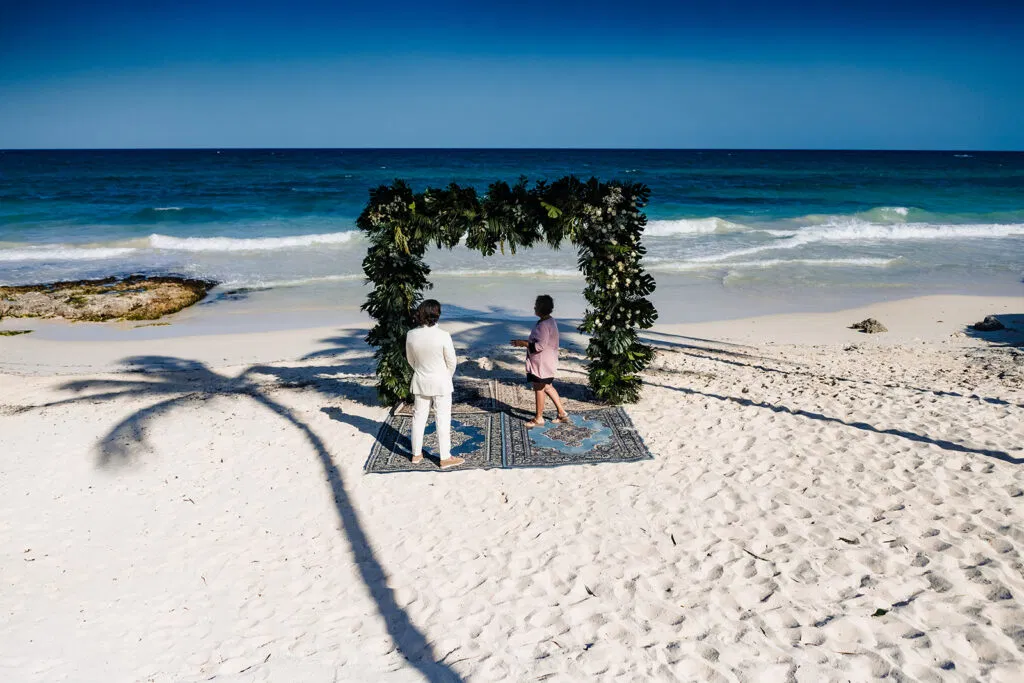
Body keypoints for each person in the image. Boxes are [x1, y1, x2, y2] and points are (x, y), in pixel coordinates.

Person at [405, 299, 463, 469]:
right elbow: (452, 362)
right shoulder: (444, 335)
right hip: (441, 382)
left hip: (420, 379)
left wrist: (422, 370)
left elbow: (411, 360)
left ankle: (416, 454)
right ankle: (444, 457)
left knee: (418, 417)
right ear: (437, 315)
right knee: (442, 418)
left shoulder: (411, 334)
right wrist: (446, 376)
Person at [511, 294, 570, 428]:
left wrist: (522, 343)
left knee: (539, 388)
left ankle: (539, 418)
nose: (534, 307)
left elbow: (540, 346)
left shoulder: (544, 324)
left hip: (542, 363)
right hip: (548, 361)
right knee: (548, 386)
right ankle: (562, 413)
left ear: (540, 309)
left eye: (536, 305)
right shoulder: (550, 321)